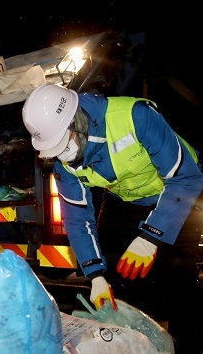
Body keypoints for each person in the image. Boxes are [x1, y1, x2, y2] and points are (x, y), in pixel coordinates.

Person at [22, 83, 203, 354]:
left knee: (180, 281)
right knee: (116, 276)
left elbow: (186, 178)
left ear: (77, 123)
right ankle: (135, 343)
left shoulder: (135, 117)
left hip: (177, 190)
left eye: (61, 144)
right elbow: (77, 218)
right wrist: (94, 274)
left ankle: (190, 345)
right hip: (125, 199)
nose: (61, 156)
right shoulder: (65, 164)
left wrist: (150, 237)